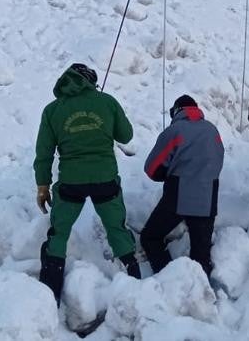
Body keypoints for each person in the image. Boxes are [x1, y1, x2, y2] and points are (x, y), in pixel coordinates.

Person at [34, 63, 139, 303]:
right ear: (90, 81)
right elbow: (126, 136)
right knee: (116, 229)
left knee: (59, 233)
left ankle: (50, 293)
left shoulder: (52, 110)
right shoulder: (107, 101)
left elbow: (44, 153)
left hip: (71, 182)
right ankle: (134, 281)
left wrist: (42, 185)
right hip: (106, 180)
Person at [140, 95, 224, 276]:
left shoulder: (175, 131)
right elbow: (218, 161)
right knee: (201, 258)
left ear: (176, 111)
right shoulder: (212, 131)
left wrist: (167, 175)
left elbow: (151, 167)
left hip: (178, 198)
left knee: (150, 237)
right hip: (207, 198)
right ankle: (202, 296)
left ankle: (169, 279)